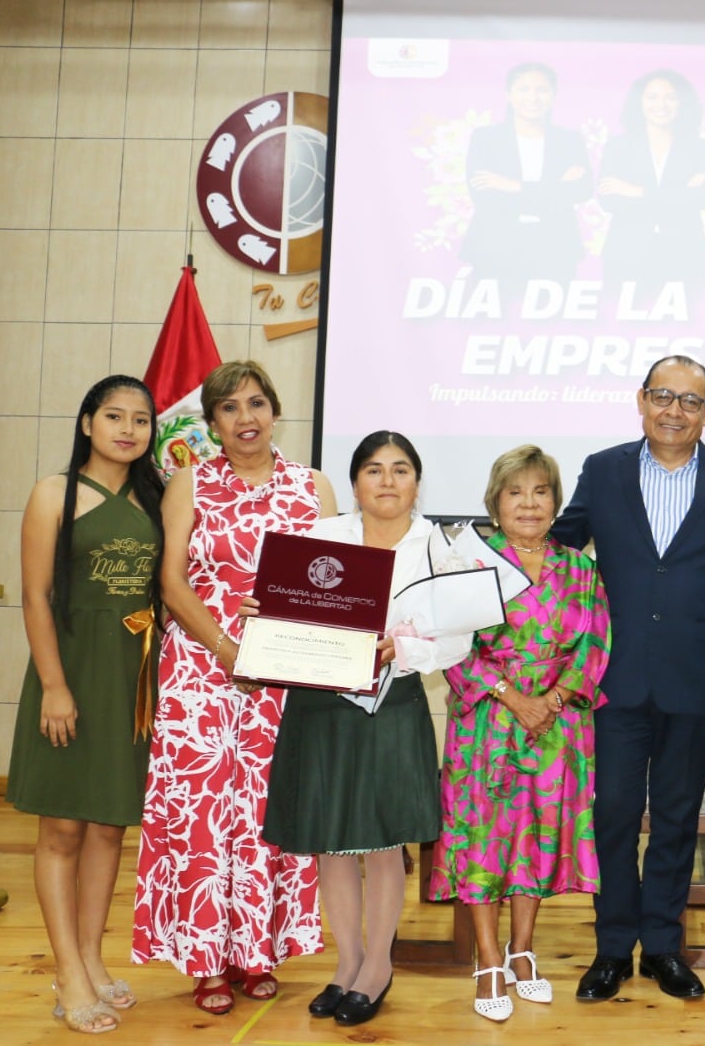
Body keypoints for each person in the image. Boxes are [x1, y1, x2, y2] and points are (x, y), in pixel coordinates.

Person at [131, 361, 337, 1015]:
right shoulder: (188, 483)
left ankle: (258, 951)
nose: (245, 418)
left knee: (266, 815)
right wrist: (228, 650)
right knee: (200, 817)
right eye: (229, 408)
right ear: (212, 421)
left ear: (275, 411)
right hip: (200, 673)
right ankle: (205, 957)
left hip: (284, 680)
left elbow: (336, 588)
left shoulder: (314, 489)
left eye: (256, 403)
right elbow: (170, 583)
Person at [552, 355, 705, 1002]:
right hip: (613, 675)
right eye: (663, 396)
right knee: (612, 813)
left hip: (698, 676)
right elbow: (557, 546)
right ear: (641, 400)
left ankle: (664, 947)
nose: (674, 410)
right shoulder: (604, 469)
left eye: (690, 401)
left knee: (675, 815)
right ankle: (613, 946)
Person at [259, 432, 473, 1027]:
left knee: (383, 842)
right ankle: (345, 963)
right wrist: (267, 613)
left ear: (417, 482)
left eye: (400, 470)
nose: (387, 481)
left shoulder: (442, 549)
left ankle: (377, 965)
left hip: (393, 703)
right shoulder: (321, 540)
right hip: (321, 706)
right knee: (330, 839)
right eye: (374, 470)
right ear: (354, 483)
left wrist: (395, 647)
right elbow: (289, 611)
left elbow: (459, 640)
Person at [427, 445, 611, 1022]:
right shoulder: (471, 562)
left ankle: (522, 951)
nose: (529, 504)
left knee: (535, 837)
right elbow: (451, 644)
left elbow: (597, 644)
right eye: (516, 493)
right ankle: (487, 960)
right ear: (495, 501)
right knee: (485, 838)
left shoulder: (580, 569)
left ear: (556, 502)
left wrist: (552, 700)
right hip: (488, 722)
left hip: (558, 726)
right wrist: (515, 699)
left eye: (540, 492)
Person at [6, 375, 165, 1034]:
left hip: (132, 677)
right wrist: (54, 685)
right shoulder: (53, 494)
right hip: (69, 671)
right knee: (63, 828)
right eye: (113, 416)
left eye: (140, 419)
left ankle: (93, 961)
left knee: (107, 826)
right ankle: (68, 974)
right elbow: (37, 595)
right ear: (87, 423)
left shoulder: (156, 499)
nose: (127, 429)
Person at [460, 61, 593, 290]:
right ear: (508, 96)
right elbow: (485, 196)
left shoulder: (569, 141)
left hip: (556, 247)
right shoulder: (486, 139)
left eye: (542, 90)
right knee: (493, 321)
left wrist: (514, 186)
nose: (533, 98)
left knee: (555, 323)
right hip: (495, 246)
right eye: (523, 90)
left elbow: (581, 191)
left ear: (553, 96)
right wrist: (555, 189)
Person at [597, 69, 705, 302]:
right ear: (639, 103)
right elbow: (610, 200)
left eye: (671, 97)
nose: (661, 104)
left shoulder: (700, 148)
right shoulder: (618, 147)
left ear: (683, 103)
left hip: (685, 253)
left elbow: (704, 198)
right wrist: (679, 196)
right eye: (652, 97)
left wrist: (636, 191)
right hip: (626, 253)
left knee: (685, 329)